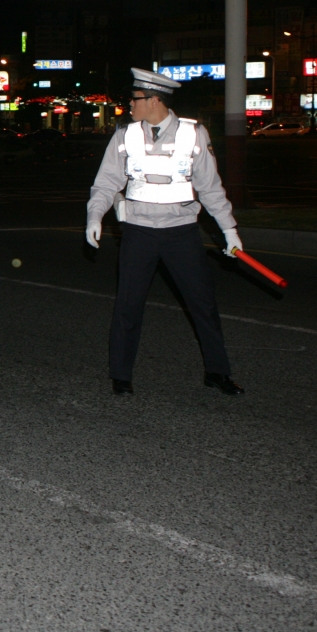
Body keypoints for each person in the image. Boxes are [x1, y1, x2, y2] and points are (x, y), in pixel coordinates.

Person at [85, 68, 245, 396]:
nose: (130, 104)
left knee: (203, 304)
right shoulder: (124, 135)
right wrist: (94, 217)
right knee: (128, 305)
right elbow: (106, 183)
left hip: (181, 233)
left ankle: (217, 372)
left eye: (136, 99)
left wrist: (229, 229)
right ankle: (121, 375)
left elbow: (210, 187)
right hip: (139, 233)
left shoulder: (193, 134)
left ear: (155, 100)